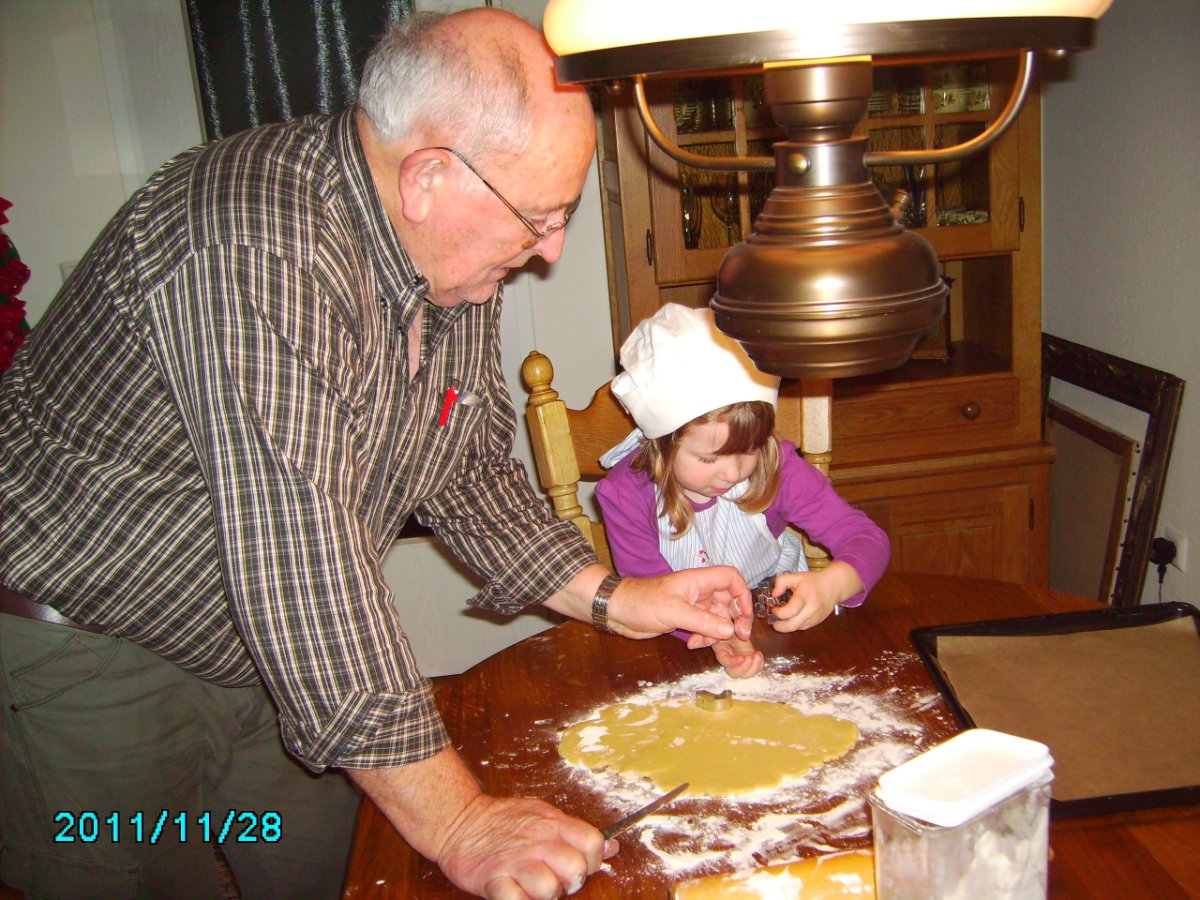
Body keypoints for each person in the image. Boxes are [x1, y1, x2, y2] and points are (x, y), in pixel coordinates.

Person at [0, 10, 755, 899]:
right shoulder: (251, 242)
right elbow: (301, 562)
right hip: (89, 649)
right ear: (427, 176)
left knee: (348, 874)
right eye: (539, 217)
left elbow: (468, 473)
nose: (550, 249)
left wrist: (613, 598)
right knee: (147, 876)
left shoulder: (450, 259)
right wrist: (462, 820)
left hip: (263, 645)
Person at [596, 304, 892, 678]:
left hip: (777, 628)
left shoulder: (777, 468)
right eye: (709, 458)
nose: (733, 473)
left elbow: (867, 538)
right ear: (662, 444)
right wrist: (718, 631)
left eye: (749, 449)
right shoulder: (626, 495)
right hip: (678, 638)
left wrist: (833, 585)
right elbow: (648, 596)